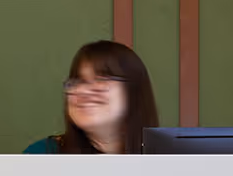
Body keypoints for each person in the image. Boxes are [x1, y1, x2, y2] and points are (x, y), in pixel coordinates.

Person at [24, 39, 159, 156]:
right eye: (77, 82)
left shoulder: (166, 157)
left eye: (101, 80)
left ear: (133, 91)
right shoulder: (40, 156)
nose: (82, 91)